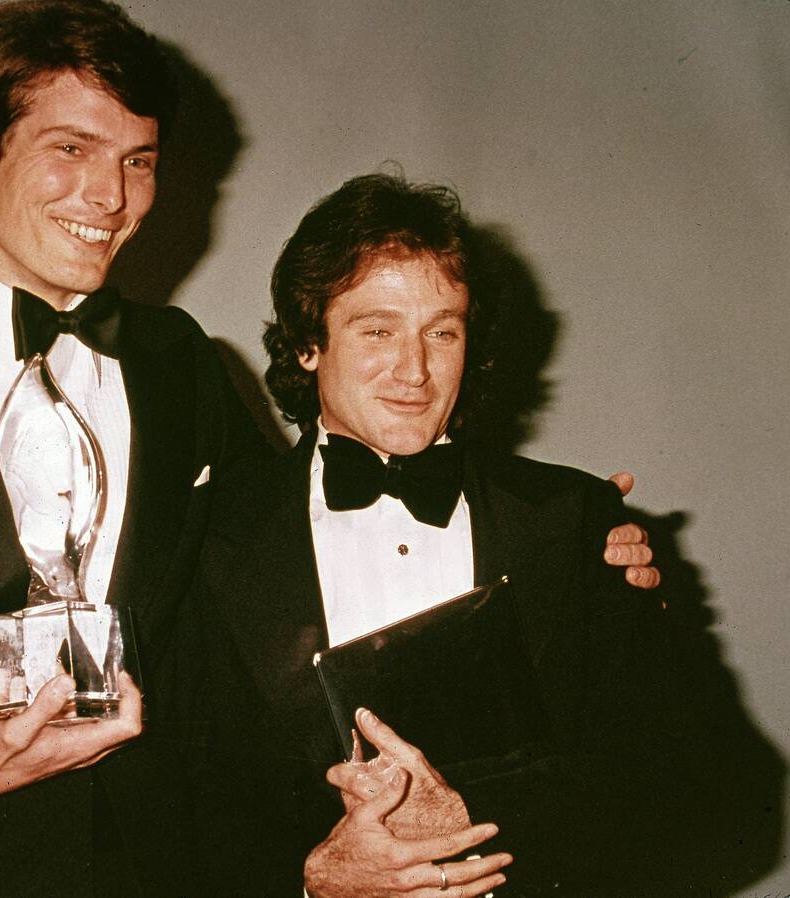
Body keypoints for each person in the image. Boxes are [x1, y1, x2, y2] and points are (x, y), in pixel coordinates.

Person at [0, 2, 657, 895]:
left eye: (138, 161)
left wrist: (571, 536)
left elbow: (308, 536)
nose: (111, 197)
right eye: (70, 150)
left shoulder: (179, 365)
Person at [190, 173, 696, 896]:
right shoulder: (207, 537)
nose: (415, 370)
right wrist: (310, 881)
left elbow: (685, 786)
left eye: (443, 331)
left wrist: (477, 827)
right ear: (307, 343)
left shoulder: (575, 519)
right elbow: (172, 811)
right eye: (377, 330)